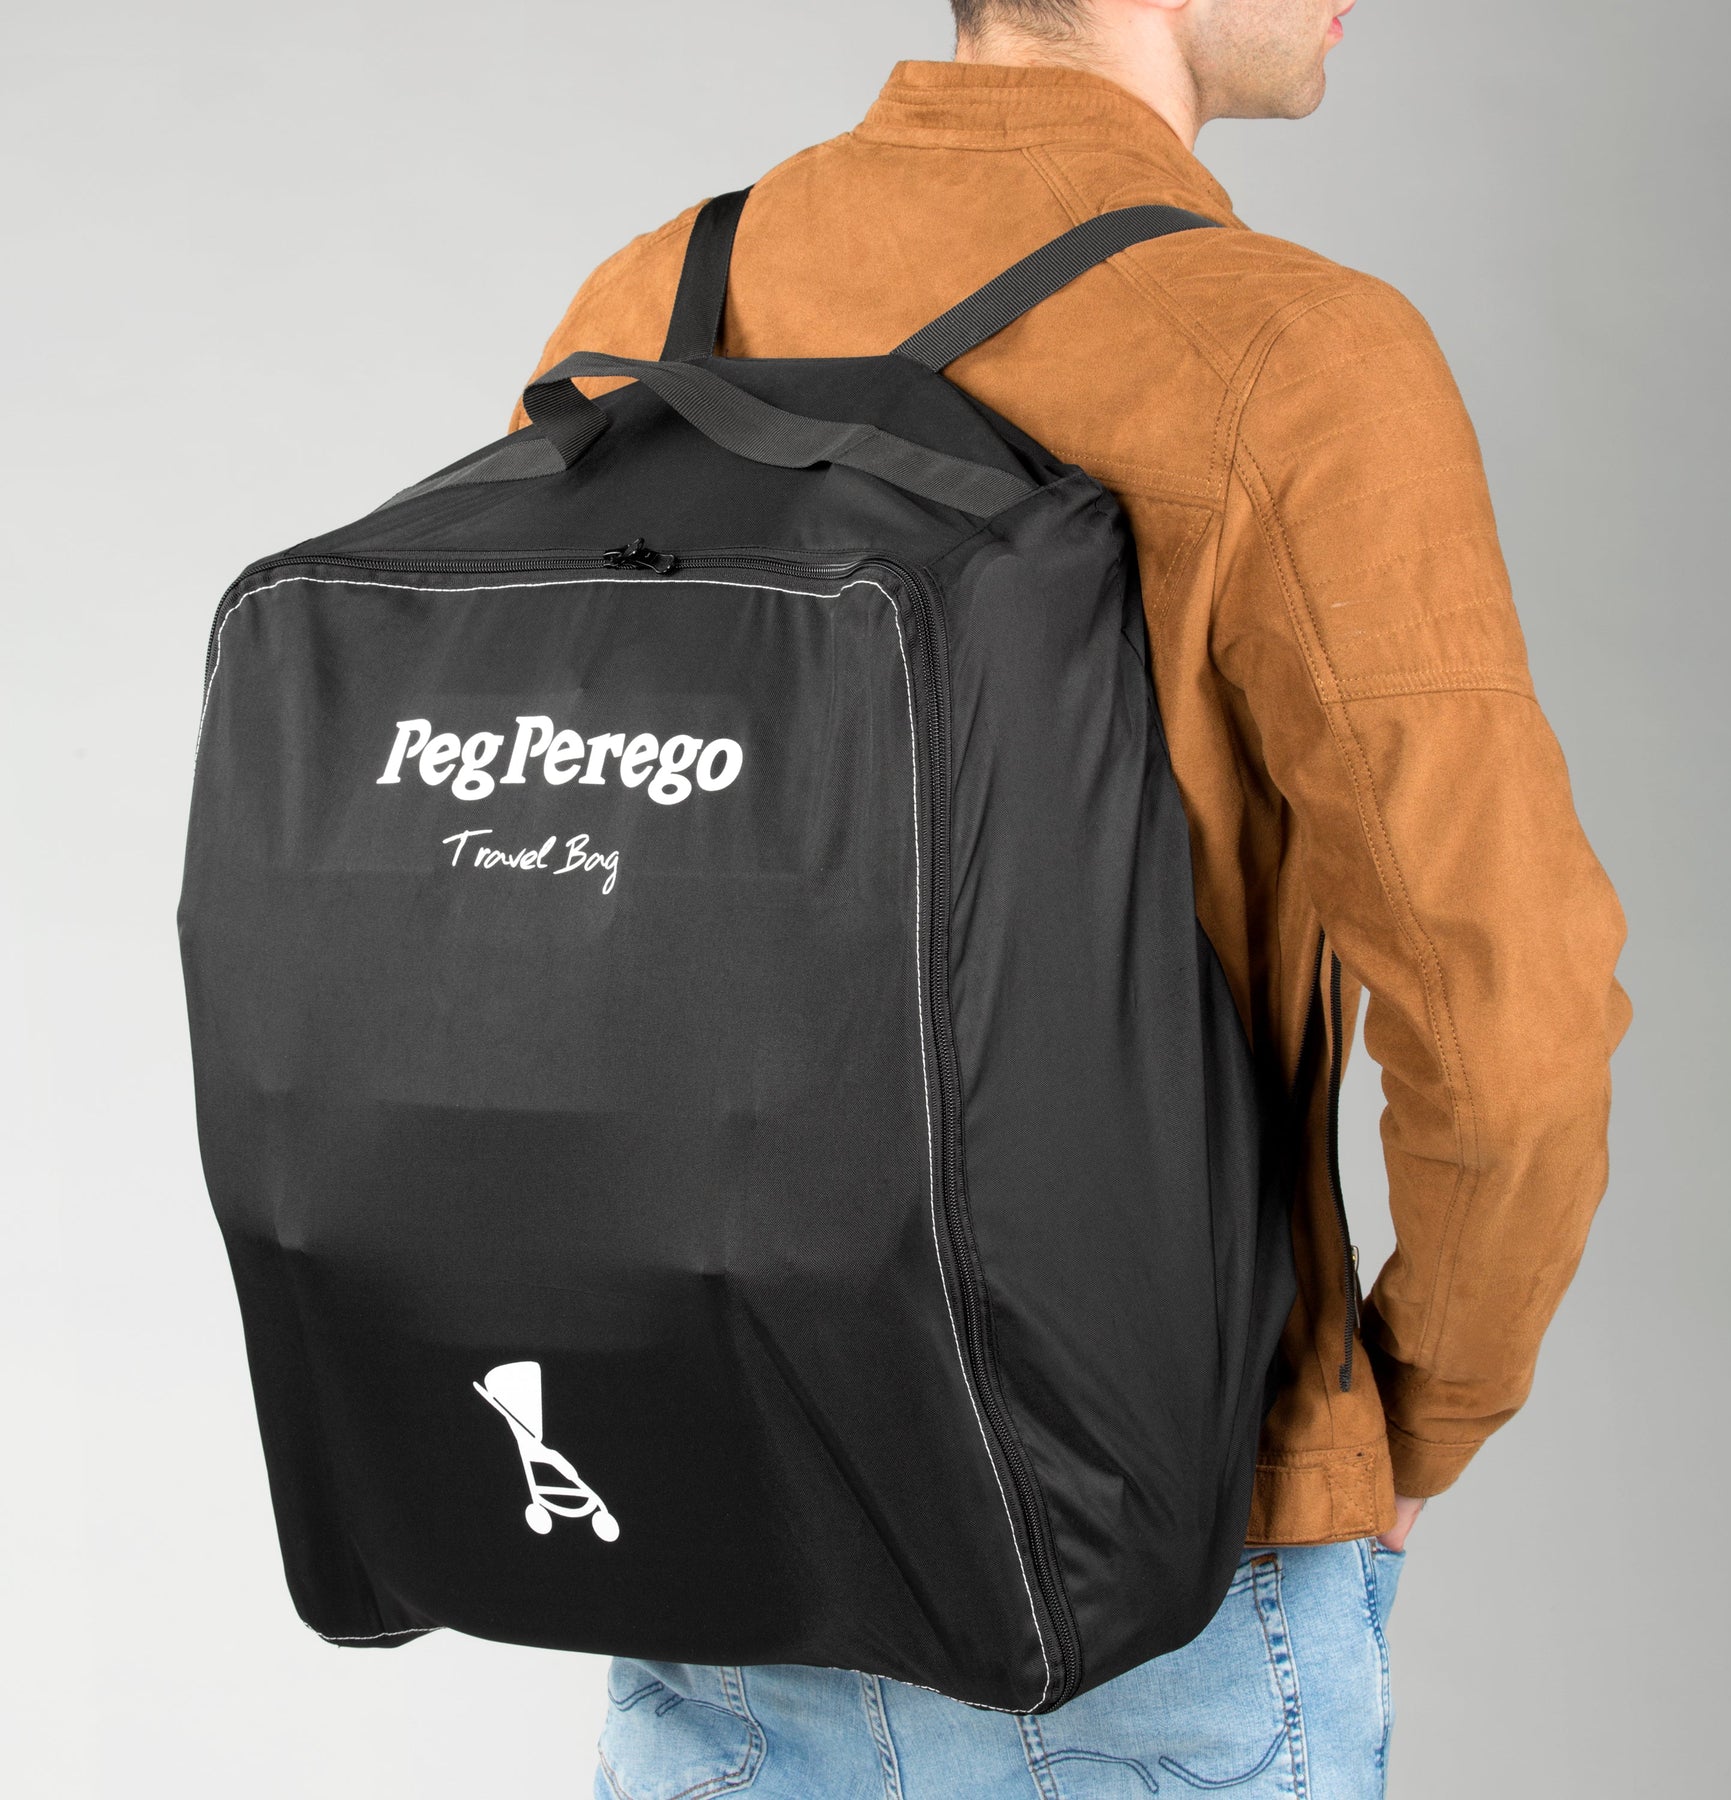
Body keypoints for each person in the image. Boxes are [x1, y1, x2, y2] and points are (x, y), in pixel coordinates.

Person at [516, 2, 1629, 1794]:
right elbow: (1511, 1024)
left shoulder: (651, 302)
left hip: (713, 1521)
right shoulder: (1289, 350)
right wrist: (1413, 1417)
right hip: (1162, 1547)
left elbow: (567, 894)